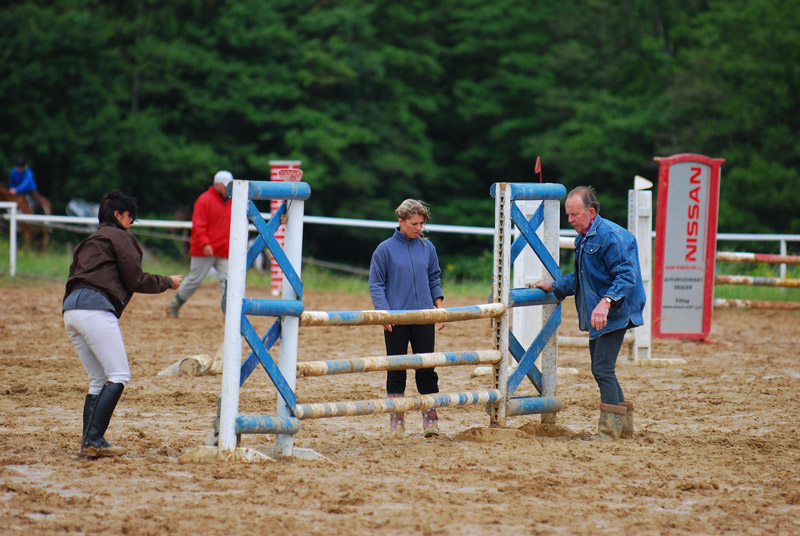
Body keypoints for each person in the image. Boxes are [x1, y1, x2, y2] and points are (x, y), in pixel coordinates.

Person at [63, 191, 182, 458]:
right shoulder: (120, 237)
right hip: (95, 309)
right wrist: (167, 282)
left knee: (98, 379)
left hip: (70, 310)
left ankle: (89, 442)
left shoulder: (87, 241)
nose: (131, 223)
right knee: (119, 375)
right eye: (130, 217)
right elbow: (135, 279)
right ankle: (94, 439)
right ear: (117, 215)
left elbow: (73, 276)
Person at [532, 186, 646, 440]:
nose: (570, 220)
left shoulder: (613, 236)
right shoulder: (584, 237)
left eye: (575, 214)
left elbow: (627, 276)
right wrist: (555, 286)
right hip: (605, 310)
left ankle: (609, 433)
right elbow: (581, 277)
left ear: (591, 212)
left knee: (602, 369)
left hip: (616, 311)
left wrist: (606, 302)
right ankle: (622, 429)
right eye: (568, 215)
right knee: (603, 369)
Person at [369, 199, 445, 438]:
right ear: (400, 221)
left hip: (424, 317)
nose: (418, 228)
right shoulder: (384, 249)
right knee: (396, 370)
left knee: (426, 369)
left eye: (421, 223)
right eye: (414, 223)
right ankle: (397, 423)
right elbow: (376, 283)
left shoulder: (428, 248)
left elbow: (434, 278)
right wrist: (383, 312)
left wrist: (439, 308)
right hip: (396, 319)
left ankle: (430, 422)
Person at [166, 170, 233, 317]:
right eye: (225, 186)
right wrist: (205, 244)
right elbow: (198, 225)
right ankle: (175, 305)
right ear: (217, 184)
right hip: (203, 250)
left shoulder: (232, 202)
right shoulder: (204, 200)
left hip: (223, 249)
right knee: (194, 280)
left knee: (228, 281)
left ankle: (229, 314)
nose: (228, 189)